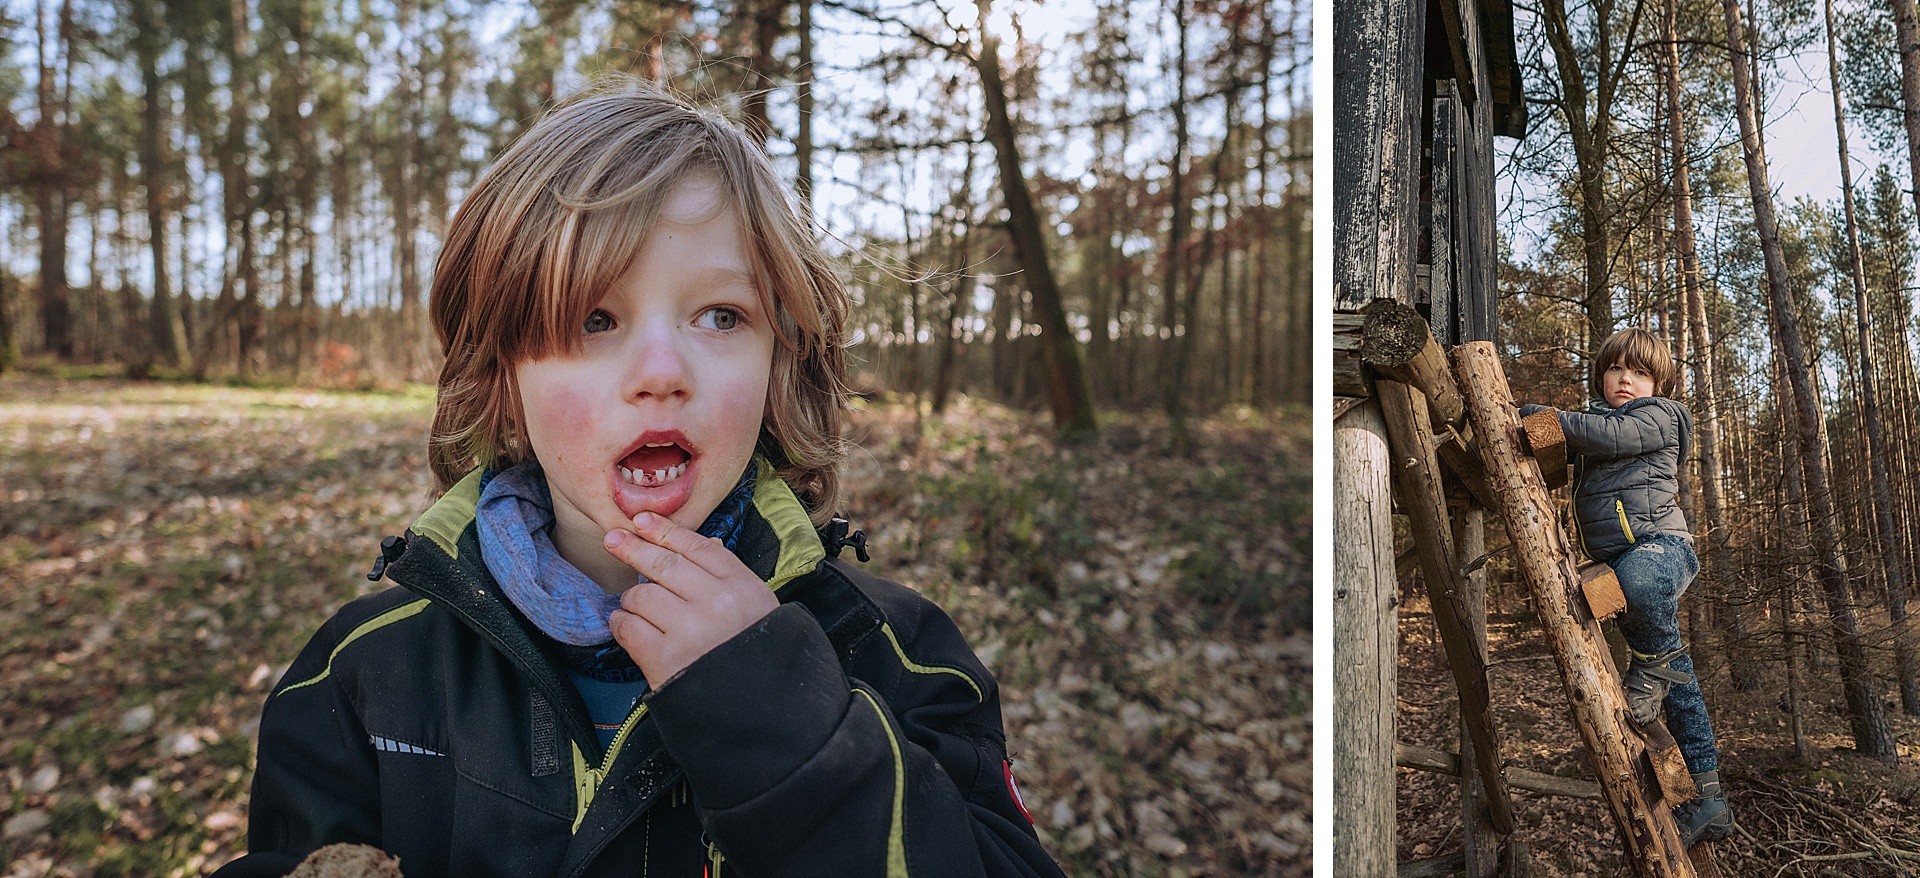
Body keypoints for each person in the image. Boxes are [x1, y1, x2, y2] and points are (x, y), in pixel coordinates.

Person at [213, 79, 1065, 878]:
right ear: (505, 375)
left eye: (720, 316)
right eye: (594, 318)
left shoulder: (892, 654)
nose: (661, 370)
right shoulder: (364, 671)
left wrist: (789, 724)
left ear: (781, 358)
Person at [1519, 327, 1732, 847]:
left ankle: (1651, 668)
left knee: (1637, 582)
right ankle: (1709, 800)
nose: (1626, 380)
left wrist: (1544, 416)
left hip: (1663, 551)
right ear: (1602, 373)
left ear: (1657, 384)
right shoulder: (1598, 426)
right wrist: (1518, 415)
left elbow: (1609, 437)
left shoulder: (1659, 417)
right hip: (1625, 560)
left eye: (1640, 372)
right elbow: (1572, 447)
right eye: (1617, 369)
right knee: (1679, 682)